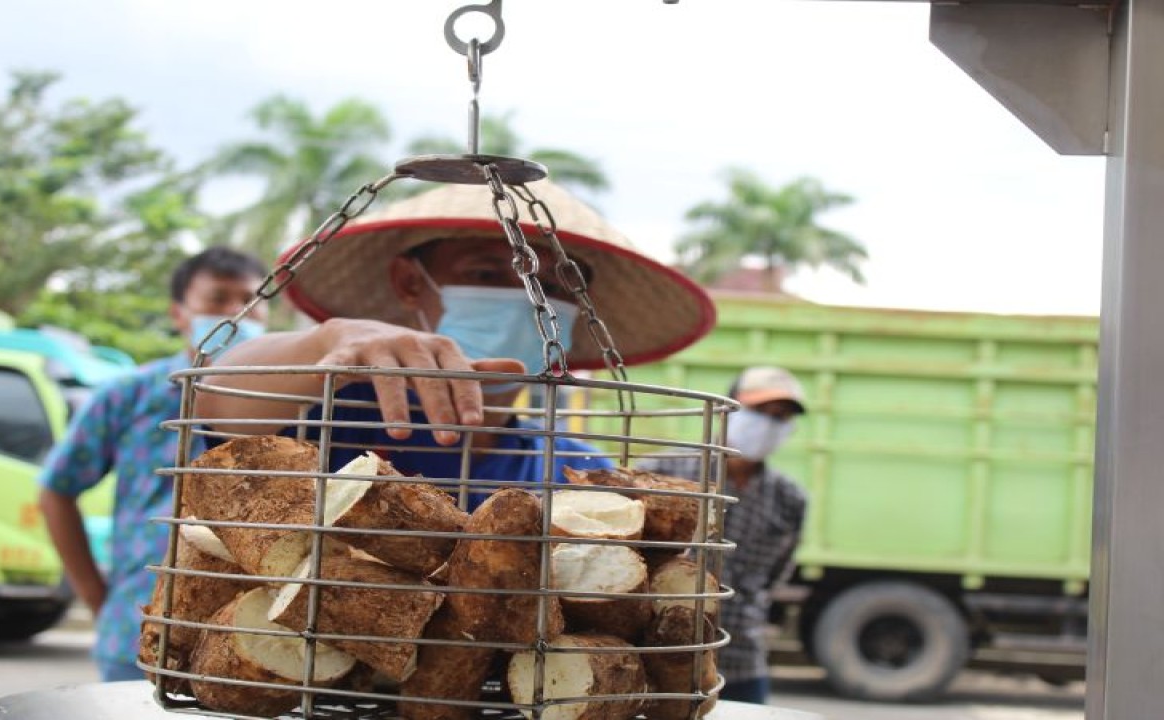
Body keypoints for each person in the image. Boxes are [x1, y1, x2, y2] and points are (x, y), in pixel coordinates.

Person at [197, 178, 716, 506]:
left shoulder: (578, 472)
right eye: (488, 273)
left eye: (553, 287)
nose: (526, 302)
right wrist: (330, 339)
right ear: (410, 283)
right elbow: (219, 394)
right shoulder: (331, 421)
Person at [38, 246, 269, 682]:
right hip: (135, 630)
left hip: (256, 647)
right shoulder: (128, 396)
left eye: (253, 300)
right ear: (180, 313)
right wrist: (94, 596)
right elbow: (56, 489)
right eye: (218, 299)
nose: (239, 313)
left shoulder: (294, 404)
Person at [636, 365, 809, 705]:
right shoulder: (662, 473)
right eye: (761, 412)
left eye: (782, 417)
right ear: (729, 411)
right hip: (660, 656)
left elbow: (775, 575)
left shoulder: (789, 498)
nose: (771, 424)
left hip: (742, 658)